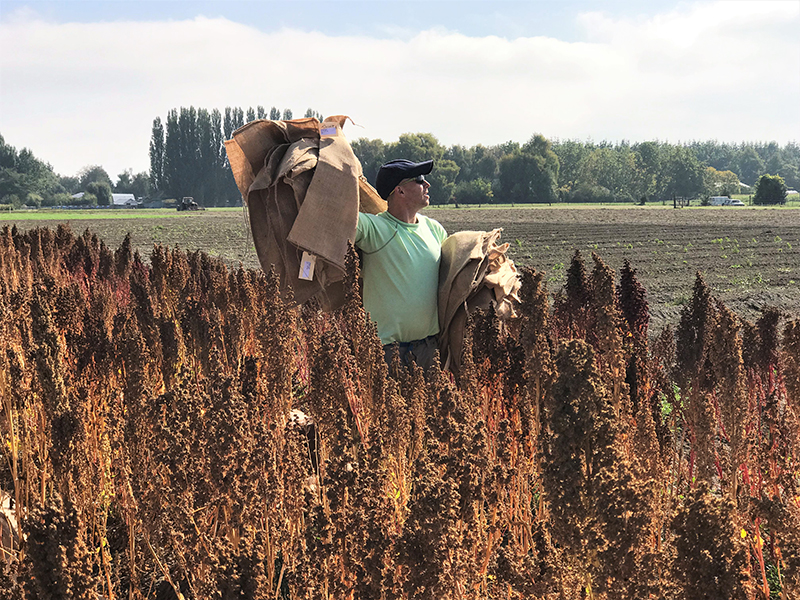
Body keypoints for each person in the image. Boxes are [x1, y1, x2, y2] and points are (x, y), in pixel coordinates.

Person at [354, 159, 447, 372]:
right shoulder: (374, 228)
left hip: (427, 351)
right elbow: (339, 217)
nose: (427, 185)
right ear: (400, 191)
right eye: (420, 180)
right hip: (385, 352)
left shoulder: (434, 229)